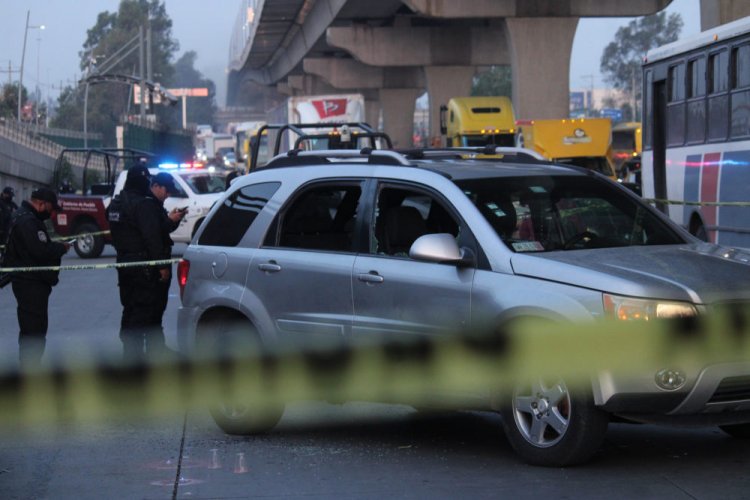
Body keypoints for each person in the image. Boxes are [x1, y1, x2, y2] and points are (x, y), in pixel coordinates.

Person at [107, 167, 187, 363]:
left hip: (125, 263)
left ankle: (132, 354)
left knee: (130, 309)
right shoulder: (143, 205)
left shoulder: (115, 204)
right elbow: (152, 237)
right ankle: (136, 358)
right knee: (143, 310)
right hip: (143, 266)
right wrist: (161, 266)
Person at [3, 188, 70, 370]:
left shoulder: (21, 216)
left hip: (27, 282)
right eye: (50, 208)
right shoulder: (28, 222)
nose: (51, 212)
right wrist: (61, 248)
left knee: (31, 329)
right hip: (30, 284)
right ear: (41, 203)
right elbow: (40, 252)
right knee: (34, 330)